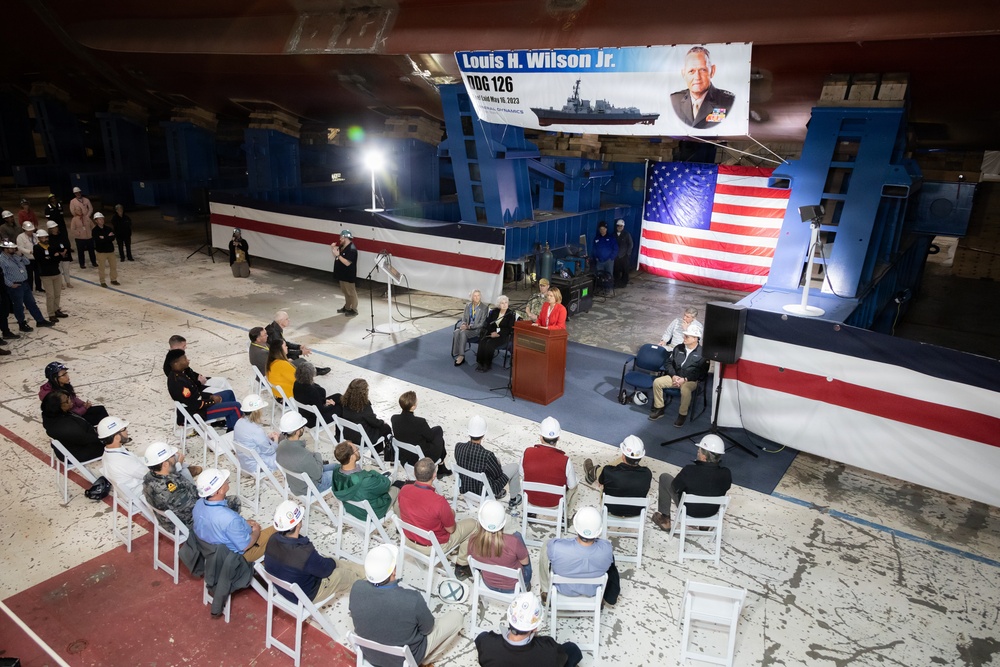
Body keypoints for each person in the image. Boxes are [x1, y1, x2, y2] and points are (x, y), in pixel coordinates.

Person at [349, 544, 463, 667]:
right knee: (457, 618)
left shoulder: (357, 587)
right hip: (403, 660)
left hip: (371, 656)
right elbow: (428, 628)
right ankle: (423, 662)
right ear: (393, 571)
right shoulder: (412, 599)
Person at [263, 500, 365, 603]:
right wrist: (331, 563)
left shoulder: (272, 539)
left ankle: (365, 572)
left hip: (286, 590)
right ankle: (368, 585)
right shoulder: (304, 553)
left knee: (334, 562)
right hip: (307, 594)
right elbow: (326, 571)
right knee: (342, 575)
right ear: (298, 524)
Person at [397, 457, 477, 579]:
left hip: (409, 539)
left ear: (415, 473)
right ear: (434, 475)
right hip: (432, 546)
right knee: (474, 524)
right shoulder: (438, 502)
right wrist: (452, 513)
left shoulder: (404, 490)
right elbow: (451, 530)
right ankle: (462, 565)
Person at [539, 506, 620, 608]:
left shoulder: (557, 548)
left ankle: (546, 591)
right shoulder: (607, 549)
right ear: (599, 530)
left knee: (545, 547)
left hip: (563, 590)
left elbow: (549, 545)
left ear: (576, 526)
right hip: (592, 591)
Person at [475, 592, 583, 667]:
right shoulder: (548, 649)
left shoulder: (486, 643)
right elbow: (559, 658)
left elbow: (480, 639)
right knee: (572, 649)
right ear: (535, 628)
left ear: (509, 617)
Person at [651, 434, 732, 532]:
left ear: (703, 456)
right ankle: (705, 525)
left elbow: (675, 487)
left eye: (700, 450)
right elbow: (725, 487)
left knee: (664, 478)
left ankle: (665, 520)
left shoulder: (689, 470)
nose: (698, 451)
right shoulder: (726, 473)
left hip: (690, 511)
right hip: (711, 512)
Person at [192, 468, 275, 562]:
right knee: (278, 532)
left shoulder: (199, 504)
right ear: (219, 491)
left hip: (213, 552)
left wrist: (242, 523)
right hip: (237, 557)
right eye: (225, 481)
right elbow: (245, 546)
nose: (228, 481)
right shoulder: (229, 519)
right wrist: (256, 531)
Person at [144, 443, 230, 531]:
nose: (175, 458)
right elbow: (194, 509)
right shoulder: (174, 492)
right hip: (188, 524)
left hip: (168, 522)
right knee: (232, 501)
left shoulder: (149, 477)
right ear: (165, 464)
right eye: (172, 456)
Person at [165, 348, 243, 431]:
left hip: (199, 406)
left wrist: (211, 396)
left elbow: (196, 393)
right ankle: (240, 434)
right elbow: (193, 404)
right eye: (184, 359)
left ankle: (232, 428)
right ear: (176, 363)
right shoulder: (178, 382)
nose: (188, 360)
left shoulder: (181, 374)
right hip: (197, 413)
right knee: (236, 406)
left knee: (229, 394)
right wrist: (213, 401)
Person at [649, 321, 709, 426]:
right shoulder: (678, 348)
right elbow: (668, 363)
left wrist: (685, 379)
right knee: (657, 382)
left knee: (685, 389)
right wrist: (674, 376)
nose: (684, 337)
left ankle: (682, 414)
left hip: (690, 380)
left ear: (696, 339)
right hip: (675, 377)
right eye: (684, 335)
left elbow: (701, 372)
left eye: (687, 336)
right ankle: (659, 408)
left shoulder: (703, 353)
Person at [455, 415, 522, 509]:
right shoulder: (487, 455)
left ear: (468, 432)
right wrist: (497, 463)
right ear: (484, 434)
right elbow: (498, 475)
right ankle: (514, 499)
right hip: (484, 490)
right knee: (515, 467)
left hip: (466, 487)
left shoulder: (458, 447)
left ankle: (500, 493)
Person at [467, 500, 531, 593]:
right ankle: (526, 585)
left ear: (481, 522)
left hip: (489, 584)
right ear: (503, 522)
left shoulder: (473, 540)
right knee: (519, 538)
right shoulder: (513, 541)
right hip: (514, 586)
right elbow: (525, 563)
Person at [584, 435, 653, 517]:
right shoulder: (647, 474)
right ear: (641, 457)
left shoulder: (608, 471)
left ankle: (593, 471)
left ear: (623, 456)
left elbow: (600, 482)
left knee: (602, 475)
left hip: (611, 509)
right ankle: (595, 471)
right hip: (636, 511)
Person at [670, 45, 736, 129]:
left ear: (712, 71)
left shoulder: (729, 102)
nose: (697, 77)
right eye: (691, 71)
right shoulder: (674, 101)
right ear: (684, 74)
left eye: (702, 70)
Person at [520, 417, 578, 513]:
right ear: (558, 437)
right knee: (576, 484)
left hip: (531, 499)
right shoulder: (565, 460)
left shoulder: (527, 452)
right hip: (555, 503)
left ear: (541, 437)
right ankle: (566, 515)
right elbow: (572, 485)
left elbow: (522, 474)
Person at [330, 441, 398, 520]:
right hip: (369, 513)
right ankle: (402, 524)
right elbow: (386, 485)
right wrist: (386, 477)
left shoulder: (336, 471)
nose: (358, 451)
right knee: (397, 486)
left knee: (368, 468)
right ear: (352, 457)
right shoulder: (365, 481)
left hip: (350, 508)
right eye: (356, 450)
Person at [390, 390, 450, 477]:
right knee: (439, 437)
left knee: (437, 429)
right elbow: (430, 438)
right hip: (420, 457)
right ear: (413, 406)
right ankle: (441, 467)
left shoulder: (394, 419)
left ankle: (442, 467)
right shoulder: (420, 422)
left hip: (404, 454)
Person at [275, 411, 338, 495]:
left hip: (295, 483)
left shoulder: (281, 446)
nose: (303, 428)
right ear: (297, 431)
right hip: (309, 487)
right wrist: (317, 455)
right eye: (302, 427)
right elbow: (318, 475)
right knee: (341, 473)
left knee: (336, 466)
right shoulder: (304, 455)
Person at [1, 240, 54, 331]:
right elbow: (2, 275)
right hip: (15, 286)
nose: (14, 249)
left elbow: (27, 262)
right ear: (5, 249)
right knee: (19, 306)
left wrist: (21, 255)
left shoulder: (15, 256)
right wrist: (10, 284)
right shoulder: (2, 260)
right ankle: (22, 323)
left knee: (32, 303)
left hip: (25, 283)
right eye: (12, 248)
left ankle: (40, 320)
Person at [41, 390, 104, 463]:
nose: (71, 401)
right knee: (116, 440)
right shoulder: (66, 426)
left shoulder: (50, 415)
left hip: (72, 444)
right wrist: (108, 437)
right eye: (67, 400)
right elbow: (86, 439)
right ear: (58, 406)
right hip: (78, 452)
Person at [38, 361, 109, 425]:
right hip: (68, 420)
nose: (67, 376)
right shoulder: (52, 395)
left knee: (100, 410)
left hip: (77, 411)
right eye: (63, 375)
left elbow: (73, 398)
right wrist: (84, 408)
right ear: (54, 378)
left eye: (66, 373)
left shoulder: (64, 385)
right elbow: (67, 413)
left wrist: (83, 404)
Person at [163, 335, 234, 394]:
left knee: (223, 381)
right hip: (195, 390)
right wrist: (199, 382)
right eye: (183, 346)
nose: (185, 348)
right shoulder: (171, 365)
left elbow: (189, 372)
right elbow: (184, 383)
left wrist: (199, 376)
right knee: (224, 393)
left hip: (197, 382)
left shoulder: (179, 357)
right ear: (175, 347)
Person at [340, 378, 392, 456]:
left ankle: (378, 452)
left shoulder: (344, 402)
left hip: (348, 434)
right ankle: (379, 453)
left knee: (377, 428)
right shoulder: (364, 406)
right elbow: (374, 422)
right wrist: (382, 422)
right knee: (386, 428)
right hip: (363, 438)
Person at [99, 416, 146, 496]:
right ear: (117, 437)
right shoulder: (124, 461)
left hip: (129, 492)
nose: (127, 431)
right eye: (124, 429)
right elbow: (152, 474)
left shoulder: (108, 453)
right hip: (143, 493)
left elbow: (137, 461)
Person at [232, 393, 279, 472]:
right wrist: (276, 441)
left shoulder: (238, 423)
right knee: (285, 448)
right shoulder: (257, 431)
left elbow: (251, 441)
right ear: (257, 411)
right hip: (258, 465)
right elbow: (269, 451)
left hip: (245, 462)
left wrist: (267, 438)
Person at [32, 229, 69, 323]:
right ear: (39, 238)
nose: (45, 239)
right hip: (46, 275)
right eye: (43, 237)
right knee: (50, 295)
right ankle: (51, 314)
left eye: (46, 237)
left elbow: (59, 258)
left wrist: (52, 258)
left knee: (57, 294)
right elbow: (42, 261)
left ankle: (56, 310)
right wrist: (53, 257)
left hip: (56, 273)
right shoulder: (37, 248)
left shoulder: (51, 246)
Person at [293, 361, 341, 428]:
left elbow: (309, 400)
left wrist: (324, 401)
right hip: (314, 420)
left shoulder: (296, 383)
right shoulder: (312, 390)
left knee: (338, 396)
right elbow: (321, 410)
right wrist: (332, 405)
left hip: (304, 412)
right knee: (340, 407)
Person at [476, 295, 515, 373]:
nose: (504, 305)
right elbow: (488, 324)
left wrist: (498, 333)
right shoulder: (494, 312)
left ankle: (487, 364)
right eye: (502, 303)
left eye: (506, 303)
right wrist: (492, 332)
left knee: (490, 343)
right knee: (483, 341)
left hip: (503, 336)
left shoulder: (511, 314)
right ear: (498, 305)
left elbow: (509, 329)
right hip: (492, 332)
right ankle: (480, 362)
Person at [452, 289, 487, 366]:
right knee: (456, 332)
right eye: (475, 296)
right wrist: (464, 324)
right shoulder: (468, 306)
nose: (477, 297)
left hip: (476, 330)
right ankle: (457, 353)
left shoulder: (484, 308)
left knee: (463, 333)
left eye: (478, 295)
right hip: (466, 328)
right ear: (471, 297)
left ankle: (461, 356)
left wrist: (469, 327)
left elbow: (481, 323)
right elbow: (464, 318)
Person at [330, 229, 358, 316]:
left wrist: (338, 255)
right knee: (345, 292)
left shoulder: (352, 249)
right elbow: (337, 256)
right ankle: (347, 307)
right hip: (342, 274)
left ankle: (354, 309)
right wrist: (333, 249)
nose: (340, 240)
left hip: (348, 275)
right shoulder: (343, 247)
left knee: (351, 293)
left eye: (341, 238)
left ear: (345, 238)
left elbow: (347, 262)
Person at [68, 187, 97, 269]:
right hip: (80, 237)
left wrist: (87, 216)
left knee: (91, 250)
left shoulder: (86, 200)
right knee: (81, 251)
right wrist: (79, 234)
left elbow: (90, 209)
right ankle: (82, 263)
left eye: (79, 192)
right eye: (76, 193)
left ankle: (94, 262)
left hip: (88, 236)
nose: (78, 194)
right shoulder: (72, 202)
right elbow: (73, 229)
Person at [92, 212, 119, 288]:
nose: (102, 220)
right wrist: (107, 237)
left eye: (102, 219)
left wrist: (104, 237)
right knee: (102, 268)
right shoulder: (95, 231)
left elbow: (112, 238)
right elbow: (98, 240)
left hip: (110, 251)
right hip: (101, 252)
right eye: (99, 219)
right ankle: (102, 281)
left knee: (113, 266)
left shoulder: (108, 228)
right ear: (96, 221)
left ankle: (113, 279)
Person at [45, 219, 73, 289]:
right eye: (53, 228)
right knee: (59, 270)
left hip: (65, 255)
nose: (55, 229)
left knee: (66, 269)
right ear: (50, 229)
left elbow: (67, 243)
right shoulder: (49, 238)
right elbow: (51, 247)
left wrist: (65, 251)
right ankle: (60, 284)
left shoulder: (62, 235)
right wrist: (60, 253)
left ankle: (68, 282)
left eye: (56, 227)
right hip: (57, 256)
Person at [16, 222, 42, 294]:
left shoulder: (35, 236)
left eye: (31, 230)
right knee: (29, 275)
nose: (31, 232)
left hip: (36, 258)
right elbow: (20, 248)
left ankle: (39, 287)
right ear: (24, 230)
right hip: (27, 258)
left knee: (38, 273)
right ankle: (29, 289)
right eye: (29, 231)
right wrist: (29, 251)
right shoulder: (20, 237)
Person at [613, 219, 634, 288]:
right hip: (616, 256)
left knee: (625, 270)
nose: (619, 227)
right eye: (618, 226)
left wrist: (627, 254)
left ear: (623, 227)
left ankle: (624, 283)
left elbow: (630, 244)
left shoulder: (626, 234)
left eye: (621, 226)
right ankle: (617, 282)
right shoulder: (613, 235)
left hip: (624, 256)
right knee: (616, 270)